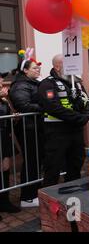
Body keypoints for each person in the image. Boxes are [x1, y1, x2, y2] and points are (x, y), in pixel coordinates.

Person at [37, 55, 89, 187]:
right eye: (68, 63)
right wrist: (79, 118)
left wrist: (88, 114)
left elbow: (87, 100)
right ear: (57, 66)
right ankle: (49, 199)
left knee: (76, 162)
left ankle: (72, 191)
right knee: (53, 166)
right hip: (57, 133)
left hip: (76, 131)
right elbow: (53, 107)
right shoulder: (47, 84)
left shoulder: (77, 83)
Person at [9, 52, 44, 208]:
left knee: (37, 160)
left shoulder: (33, 83)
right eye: (35, 68)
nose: (38, 70)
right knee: (31, 160)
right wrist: (45, 107)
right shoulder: (20, 85)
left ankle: (35, 190)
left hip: (35, 127)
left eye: (38, 68)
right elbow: (23, 105)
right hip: (27, 128)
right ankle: (27, 197)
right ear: (25, 70)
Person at [0, 72, 21, 216]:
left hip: (4, 138)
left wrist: (14, 116)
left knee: (5, 168)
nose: (2, 86)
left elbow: (10, 117)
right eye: (0, 83)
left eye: (2, 83)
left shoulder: (3, 100)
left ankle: (4, 201)